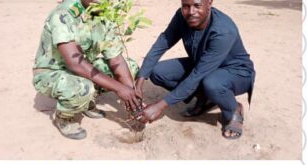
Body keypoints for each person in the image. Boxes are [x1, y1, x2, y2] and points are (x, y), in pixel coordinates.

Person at [135, 0, 254, 140]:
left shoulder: (223, 30)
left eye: (197, 6)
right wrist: (140, 80)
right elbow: (162, 43)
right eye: (186, 6)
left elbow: (197, 76)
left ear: (209, 3)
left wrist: (160, 106)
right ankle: (206, 98)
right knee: (157, 72)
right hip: (202, 64)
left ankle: (233, 109)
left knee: (212, 83)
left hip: (235, 71)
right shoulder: (182, 16)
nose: (191, 12)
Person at [33, 0, 141, 140]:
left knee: (130, 68)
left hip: (84, 68)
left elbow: (116, 60)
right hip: (52, 72)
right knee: (83, 87)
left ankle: (86, 104)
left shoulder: (104, 15)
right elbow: (74, 63)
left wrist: (132, 98)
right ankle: (64, 118)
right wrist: (119, 88)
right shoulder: (64, 14)